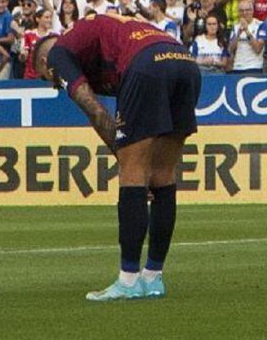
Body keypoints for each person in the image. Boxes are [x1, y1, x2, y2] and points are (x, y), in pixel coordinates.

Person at [33, 15, 201, 301]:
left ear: (46, 62)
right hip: (184, 62)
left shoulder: (59, 53)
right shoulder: (95, 42)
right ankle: (153, 277)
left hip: (146, 63)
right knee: (162, 174)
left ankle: (128, 280)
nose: (54, 82)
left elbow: (95, 111)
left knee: (133, 172)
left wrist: (125, 157)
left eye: (46, 75)